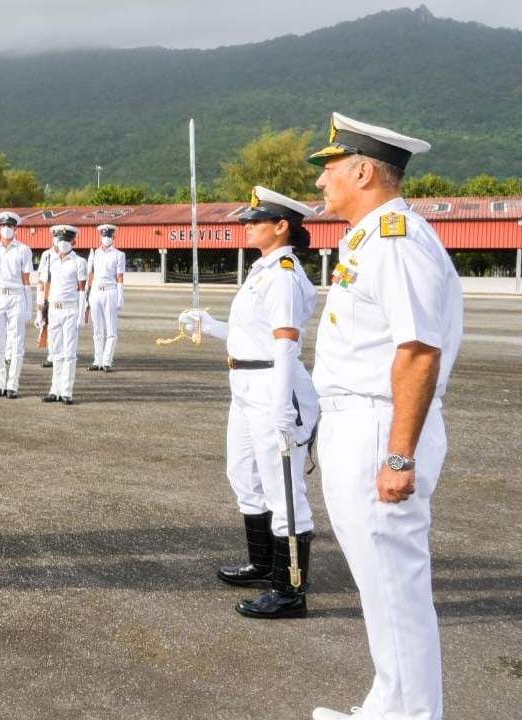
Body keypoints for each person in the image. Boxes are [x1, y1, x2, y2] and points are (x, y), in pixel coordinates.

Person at [304, 114, 462, 720]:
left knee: (396, 588)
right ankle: (388, 706)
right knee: (382, 586)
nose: (321, 184)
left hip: (381, 427)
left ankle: (412, 715)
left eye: (329, 170)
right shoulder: (373, 237)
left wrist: (399, 455)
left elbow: (418, 349)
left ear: (363, 170)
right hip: (362, 423)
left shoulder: (395, 239)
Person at [180, 186, 320, 621]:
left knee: (285, 490)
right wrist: (212, 325)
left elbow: (284, 345)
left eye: (256, 220)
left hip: (272, 387)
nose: (248, 225)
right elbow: (254, 336)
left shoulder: (282, 274)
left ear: (281, 227)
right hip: (246, 383)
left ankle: (290, 588)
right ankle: (263, 564)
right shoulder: (263, 271)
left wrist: (282, 408)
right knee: (242, 472)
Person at [0, 211, 32, 398]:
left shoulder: (24, 250)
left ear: (15, 228)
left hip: (17, 297)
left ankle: (13, 385)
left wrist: (29, 307)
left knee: (17, 342)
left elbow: (27, 281)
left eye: (9, 226)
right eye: (3, 226)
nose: (6, 229)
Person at [39, 225, 88, 405]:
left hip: (70, 309)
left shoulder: (80, 262)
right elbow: (46, 287)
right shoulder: (50, 260)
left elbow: (82, 290)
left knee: (69, 352)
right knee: (55, 352)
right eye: (61, 240)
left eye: (67, 240)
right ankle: (55, 389)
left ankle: (67, 391)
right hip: (54, 309)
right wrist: (42, 313)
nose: (64, 243)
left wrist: (82, 313)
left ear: (74, 241)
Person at [87, 224, 127, 372]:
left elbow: (120, 277)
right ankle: (97, 360)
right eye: (104, 236)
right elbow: (90, 275)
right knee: (97, 329)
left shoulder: (119, 254)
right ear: (100, 236)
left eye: (109, 236)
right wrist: (88, 295)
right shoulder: (95, 253)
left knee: (111, 329)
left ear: (114, 237)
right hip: (96, 291)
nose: (106, 239)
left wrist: (120, 296)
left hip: (110, 291)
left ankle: (107, 361)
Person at [33, 229, 59, 368]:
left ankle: (60, 355)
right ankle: (51, 355)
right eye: (55, 236)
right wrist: (39, 307)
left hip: (62, 296)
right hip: (48, 297)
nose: (57, 239)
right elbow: (41, 282)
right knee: (48, 327)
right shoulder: (46, 255)